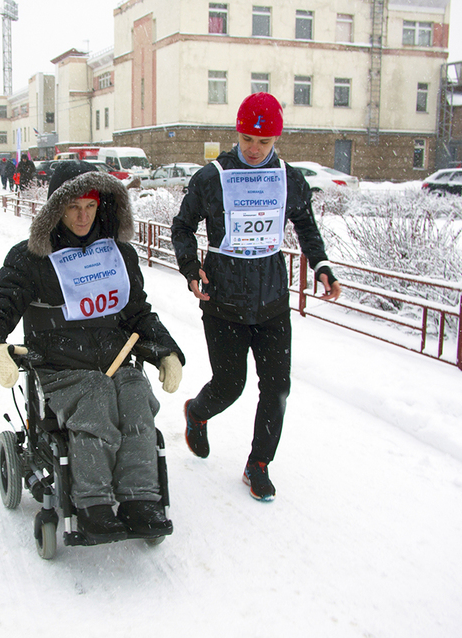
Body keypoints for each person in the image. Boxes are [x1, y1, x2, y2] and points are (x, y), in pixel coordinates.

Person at [0, 161, 184, 542]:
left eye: (90, 206)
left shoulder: (119, 255)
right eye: (72, 207)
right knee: (96, 397)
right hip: (60, 365)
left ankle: (140, 499)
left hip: (117, 361)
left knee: (136, 397)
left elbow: (138, 313)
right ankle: (93, 503)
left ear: (102, 205)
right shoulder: (31, 258)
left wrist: (166, 351)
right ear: (56, 209)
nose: (83, 216)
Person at [170, 92, 342, 502]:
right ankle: (198, 412)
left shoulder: (288, 178)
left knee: (277, 388)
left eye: (263, 143)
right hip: (223, 301)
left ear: (276, 140)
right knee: (231, 385)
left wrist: (320, 265)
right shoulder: (212, 177)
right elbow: (181, 226)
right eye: (247, 138)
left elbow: (306, 225)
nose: (253, 149)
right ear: (238, 132)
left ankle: (258, 464)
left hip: (271, 302)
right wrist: (191, 269)